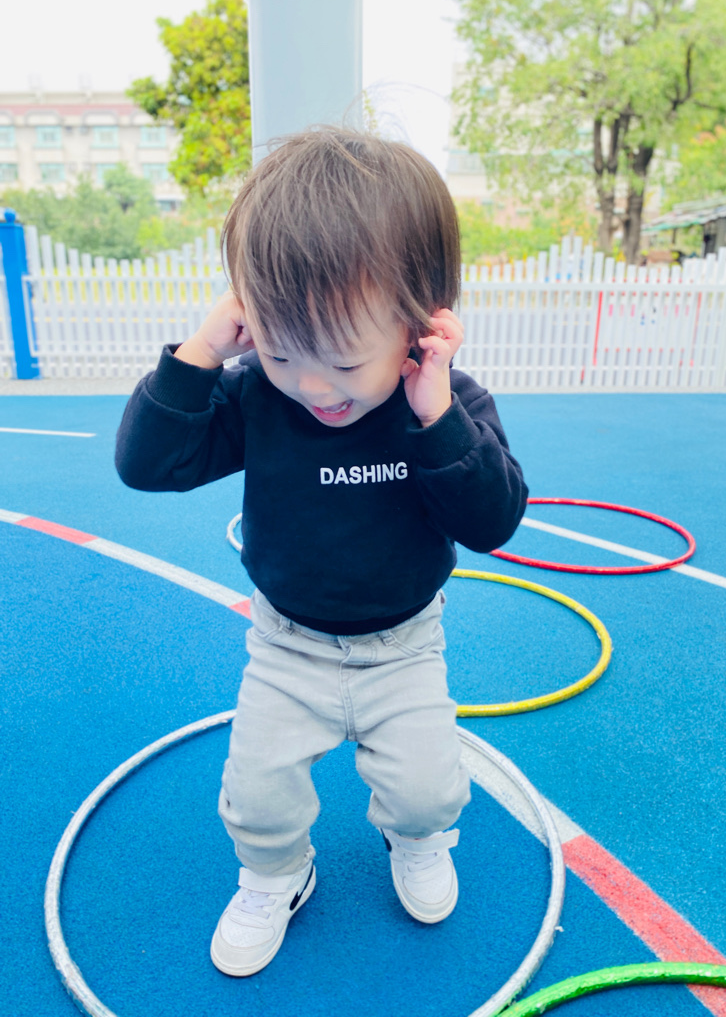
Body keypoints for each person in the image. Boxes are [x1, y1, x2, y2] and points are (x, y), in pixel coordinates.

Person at [115, 126, 528, 977]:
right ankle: (277, 875)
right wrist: (201, 356)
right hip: (287, 646)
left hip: (403, 648)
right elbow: (147, 466)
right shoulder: (257, 398)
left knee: (429, 791)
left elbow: (494, 522)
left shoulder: (444, 406)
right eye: (279, 349)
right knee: (257, 797)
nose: (310, 385)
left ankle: (415, 841)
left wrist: (436, 418)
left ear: (420, 326)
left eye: (341, 360)